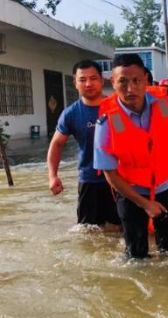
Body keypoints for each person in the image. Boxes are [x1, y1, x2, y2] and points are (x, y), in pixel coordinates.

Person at [93, 54, 168, 259]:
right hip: (131, 193)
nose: (130, 89)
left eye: (136, 81)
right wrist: (145, 204)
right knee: (136, 257)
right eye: (123, 82)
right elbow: (110, 173)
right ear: (113, 83)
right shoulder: (106, 122)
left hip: (167, 187)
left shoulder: (166, 102)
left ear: (146, 79)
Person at [47, 60, 120, 230]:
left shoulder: (117, 106)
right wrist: (53, 176)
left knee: (121, 230)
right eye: (82, 79)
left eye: (93, 78)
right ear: (75, 83)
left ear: (102, 80)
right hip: (89, 180)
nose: (88, 84)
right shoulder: (71, 113)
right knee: (89, 233)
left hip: (120, 179)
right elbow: (57, 144)